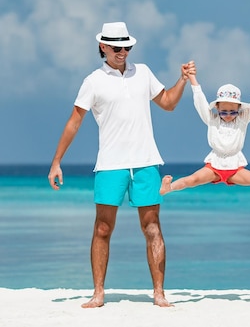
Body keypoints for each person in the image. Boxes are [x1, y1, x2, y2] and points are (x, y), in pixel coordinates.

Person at [47, 22, 195, 308]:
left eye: (127, 47)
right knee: (103, 227)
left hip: (146, 161)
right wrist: (56, 162)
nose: (122, 52)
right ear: (103, 47)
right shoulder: (93, 80)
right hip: (111, 163)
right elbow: (74, 121)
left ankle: (159, 293)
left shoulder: (144, 73)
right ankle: (98, 293)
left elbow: (168, 103)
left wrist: (183, 80)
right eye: (116, 48)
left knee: (152, 226)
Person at [159, 70, 250, 210]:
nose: (228, 115)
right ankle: (168, 188)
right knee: (192, 180)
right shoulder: (212, 120)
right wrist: (192, 78)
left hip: (235, 167)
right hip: (214, 165)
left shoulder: (242, 120)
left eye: (233, 112)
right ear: (217, 108)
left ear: (239, 109)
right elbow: (200, 101)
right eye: (224, 112)